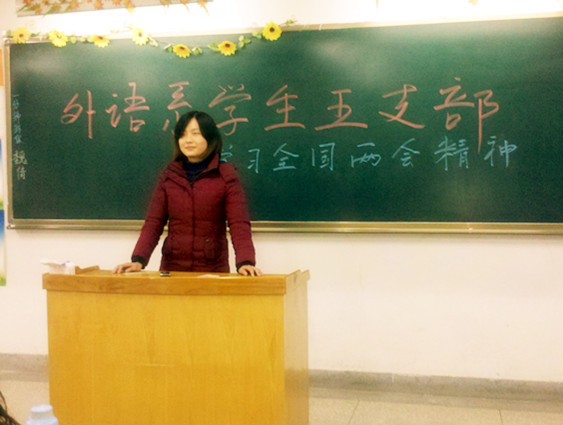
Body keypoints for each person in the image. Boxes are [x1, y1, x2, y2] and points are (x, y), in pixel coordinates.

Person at [114, 110, 261, 276]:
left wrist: (245, 262)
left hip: (212, 269)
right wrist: (138, 260)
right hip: (173, 268)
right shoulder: (169, 175)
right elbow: (154, 222)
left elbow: (239, 223)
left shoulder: (226, 175)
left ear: (210, 137)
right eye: (182, 135)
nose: (188, 140)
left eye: (195, 133)